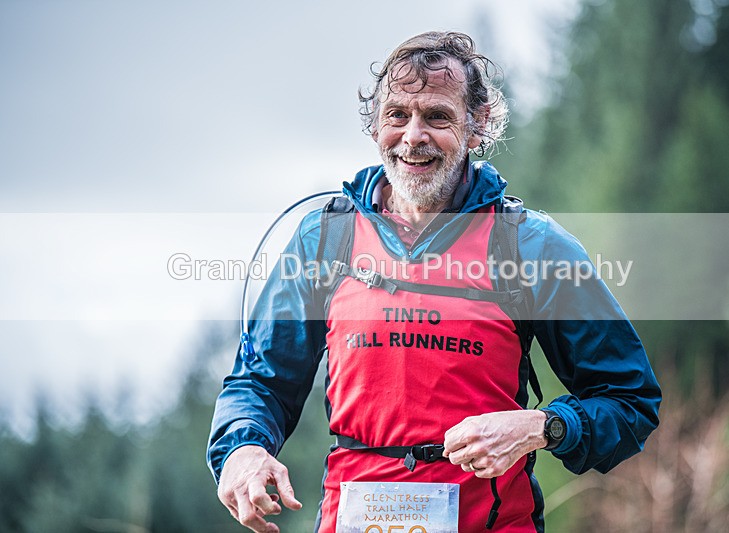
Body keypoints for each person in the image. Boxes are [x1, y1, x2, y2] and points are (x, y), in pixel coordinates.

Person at [207, 31, 661, 532]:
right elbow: (261, 381)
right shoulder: (326, 239)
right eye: (397, 114)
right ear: (375, 125)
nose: (413, 135)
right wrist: (243, 449)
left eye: (437, 117)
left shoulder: (530, 246)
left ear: (477, 126)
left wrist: (541, 426)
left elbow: (629, 400)